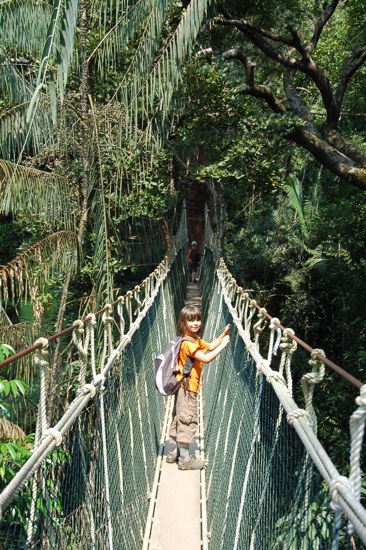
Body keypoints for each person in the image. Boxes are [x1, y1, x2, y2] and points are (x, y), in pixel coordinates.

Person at [167, 305, 231, 470]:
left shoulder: (192, 339)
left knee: (179, 417)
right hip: (188, 389)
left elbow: (209, 346)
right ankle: (185, 460)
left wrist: (223, 335)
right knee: (187, 420)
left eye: (197, 319)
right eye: (191, 320)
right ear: (183, 322)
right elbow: (206, 358)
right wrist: (223, 346)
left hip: (182, 386)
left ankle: (173, 453)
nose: (195, 323)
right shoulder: (188, 343)